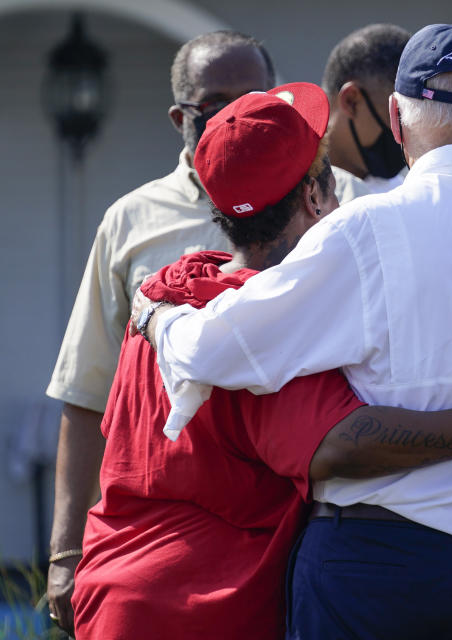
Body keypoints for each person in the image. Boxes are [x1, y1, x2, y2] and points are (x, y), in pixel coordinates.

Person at [133, 23, 452, 638]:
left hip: (365, 568)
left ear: (395, 118)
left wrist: (159, 314)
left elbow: (210, 350)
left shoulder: (359, 232)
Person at [72, 82, 452, 640]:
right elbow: (339, 446)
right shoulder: (279, 331)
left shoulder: (167, 290)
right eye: (330, 177)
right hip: (207, 610)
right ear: (314, 198)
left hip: (113, 591)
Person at [44, 30, 276, 634]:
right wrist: (66, 555)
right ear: (179, 118)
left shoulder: (322, 205)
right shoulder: (131, 221)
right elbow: (84, 393)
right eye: (214, 106)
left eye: (251, 101)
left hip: (278, 532)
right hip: (151, 543)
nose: (234, 119)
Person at [322, 23, 411, 195]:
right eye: (396, 118)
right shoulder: (288, 192)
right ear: (351, 101)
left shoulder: (401, 195)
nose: (403, 137)